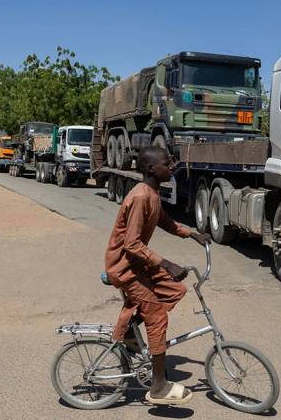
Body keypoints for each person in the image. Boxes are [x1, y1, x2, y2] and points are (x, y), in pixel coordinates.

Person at [104, 146, 210, 405]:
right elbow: (131, 244)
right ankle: (159, 386)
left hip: (138, 264)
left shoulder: (152, 193)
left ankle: (129, 330)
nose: (172, 165)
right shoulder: (140, 197)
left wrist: (192, 234)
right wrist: (167, 264)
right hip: (125, 268)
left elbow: (166, 223)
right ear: (151, 169)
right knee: (157, 316)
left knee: (176, 289)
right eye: (167, 162)